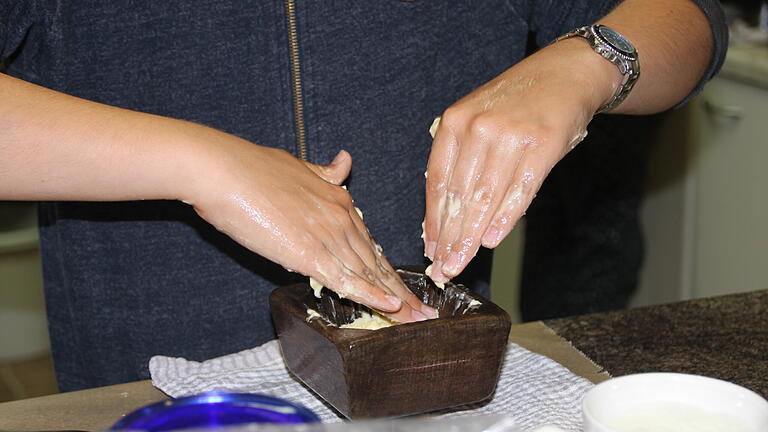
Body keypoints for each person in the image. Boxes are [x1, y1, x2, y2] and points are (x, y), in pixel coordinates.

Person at [0, 0, 727, 391]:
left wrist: (591, 62)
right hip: (149, 386)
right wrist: (200, 162)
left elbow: (688, 19)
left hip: (429, 389)